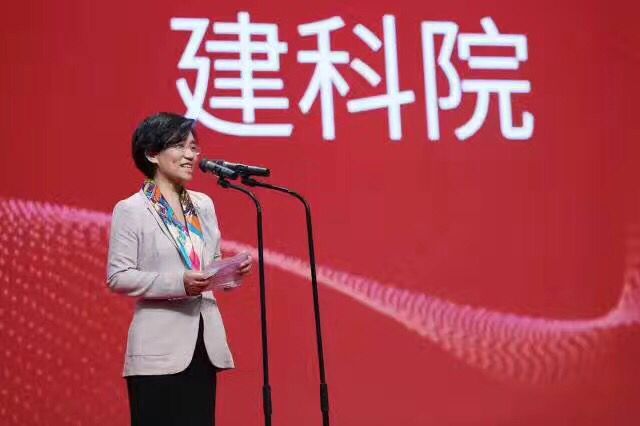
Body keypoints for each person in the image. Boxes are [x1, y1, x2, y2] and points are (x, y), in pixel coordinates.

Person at [106, 112, 251, 425]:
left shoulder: (203, 205)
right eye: (180, 146)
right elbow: (118, 276)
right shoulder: (132, 210)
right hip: (157, 350)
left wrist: (230, 273)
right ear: (151, 154)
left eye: (194, 148)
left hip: (203, 344)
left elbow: (209, 263)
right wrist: (178, 283)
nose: (190, 155)